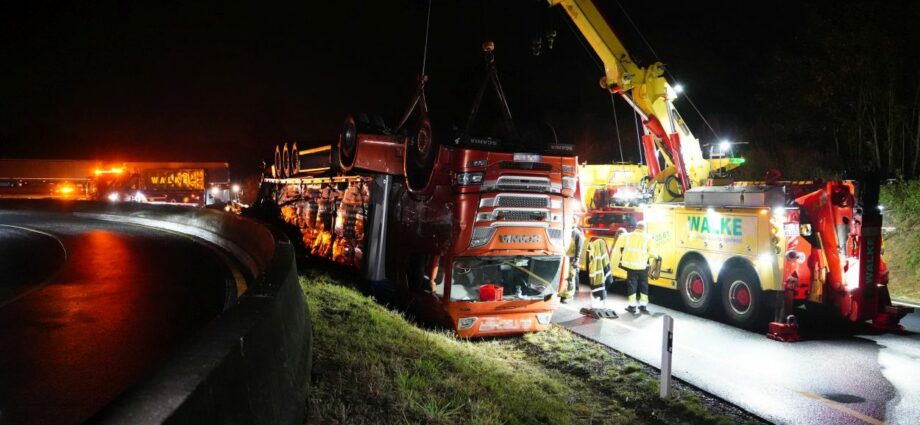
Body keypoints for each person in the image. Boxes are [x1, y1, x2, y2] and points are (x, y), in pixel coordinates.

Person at [619, 221, 658, 313]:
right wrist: (657, 256)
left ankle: (632, 306)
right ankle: (643, 305)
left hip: (631, 266)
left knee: (632, 285)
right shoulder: (648, 238)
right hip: (643, 266)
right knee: (644, 285)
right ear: (644, 229)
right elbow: (652, 254)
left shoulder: (627, 236)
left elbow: (621, 246)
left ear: (636, 227)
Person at [561, 222, 585, 303]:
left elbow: (579, 248)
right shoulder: (567, 232)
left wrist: (576, 259)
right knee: (564, 277)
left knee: (570, 277)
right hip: (565, 258)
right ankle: (563, 293)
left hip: (571, 259)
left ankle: (569, 295)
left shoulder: (577, 234)